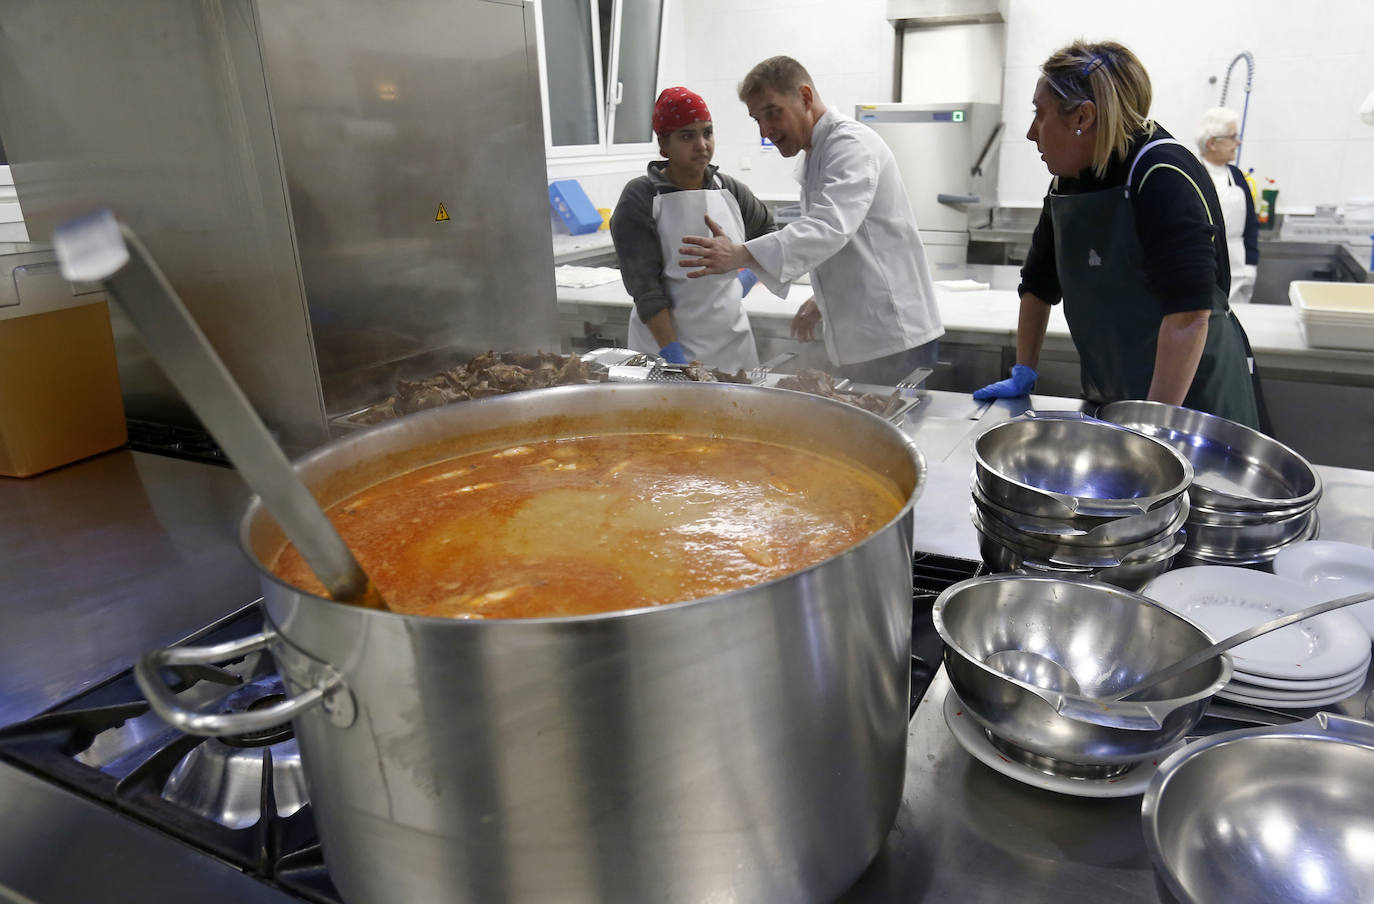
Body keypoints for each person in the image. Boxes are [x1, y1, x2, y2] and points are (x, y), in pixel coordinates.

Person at [974, 40, 1263, 430]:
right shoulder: (1067, 183)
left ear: (1083, 117)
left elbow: (1189, 315)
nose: (1030, 133)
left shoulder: (1162, 173)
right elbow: (1038, 284)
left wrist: (1152, 426)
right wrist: (1024, 368)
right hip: (1116, 393)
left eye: (1039, 115)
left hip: (1193, 405)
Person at [676, 56, 943, 386]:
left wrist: (739, 255)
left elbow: (829, 226)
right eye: (757, 119)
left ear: (804, 97)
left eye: (772, 112)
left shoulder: (850, 145)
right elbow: (856, 241)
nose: (765, 130)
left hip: (892, 336)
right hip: (866, 334)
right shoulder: (819, 150)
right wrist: (825, 299)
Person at [610, 86, 776, 372]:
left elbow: (771, 236)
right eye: (687, 136)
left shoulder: (730, 190)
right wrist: (675, 359)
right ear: (664, 144)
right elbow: (647, 291)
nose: (701, 144)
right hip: (664, 349)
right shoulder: (640, 198)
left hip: (731, 345)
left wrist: (744, 280)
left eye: (707, 132)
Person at [1196, 106, 1259, 304]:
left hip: (1237, 260)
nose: (1237, 143)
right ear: (1212, 143)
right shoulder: (1194, 173)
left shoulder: (1237, 176)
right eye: (1233, 137)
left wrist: (1251, 262)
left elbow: (1251, 223)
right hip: (1205, 259)